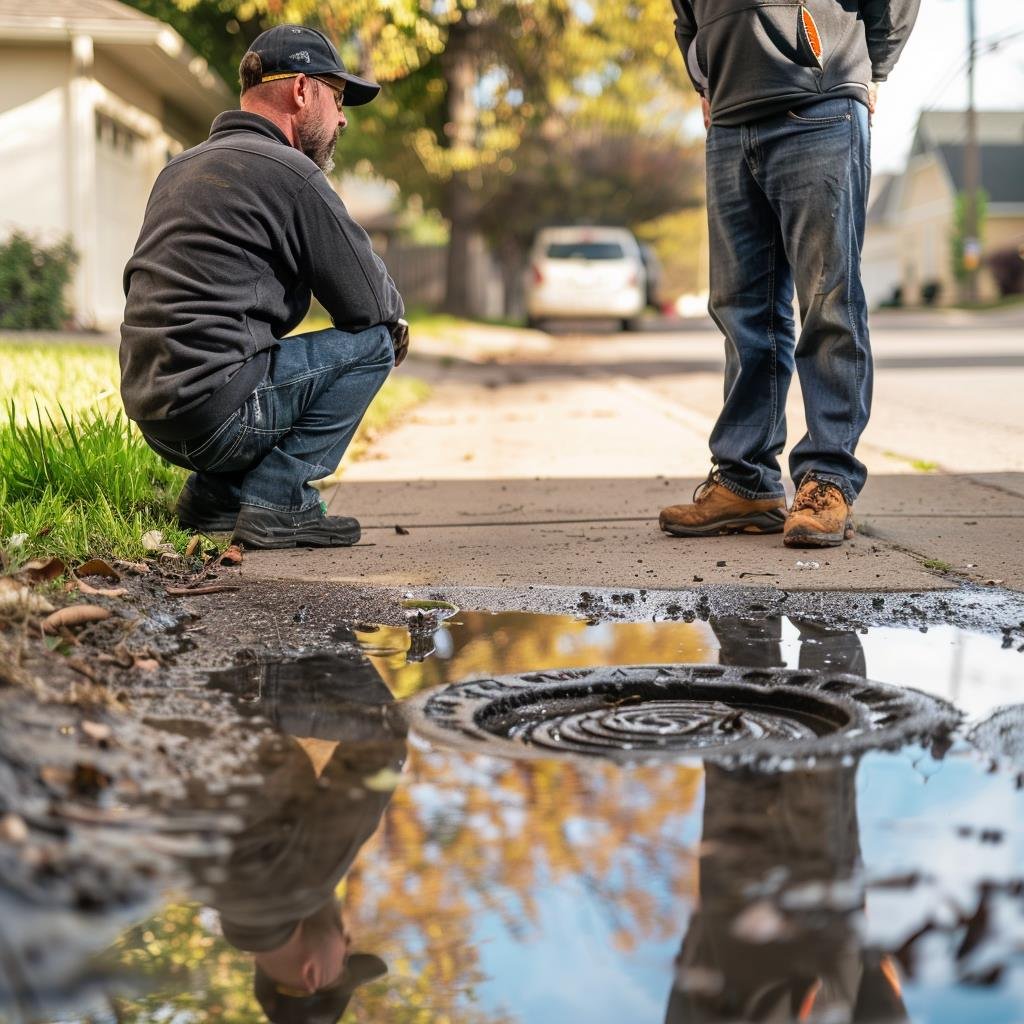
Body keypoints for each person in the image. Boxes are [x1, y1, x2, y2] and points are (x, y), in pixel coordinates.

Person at [119, 25, 408, 550]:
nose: (342, 117)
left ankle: (216, 497)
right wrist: (394, 326)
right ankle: (279, 500)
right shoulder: (289, 170)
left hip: (155, 417)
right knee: (376, 343)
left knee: (249, 356)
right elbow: (371, 304)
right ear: (302, 90)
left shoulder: (179, 168)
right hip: (223, 415)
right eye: (338, 98)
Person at [659, 1, 919, 548]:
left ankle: (828, 479)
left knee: (828, 301)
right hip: (729, 118)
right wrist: (703, 79)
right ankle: (745, 480)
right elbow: (686, 14)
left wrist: (874, 69)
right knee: (740, 312)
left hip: (819, 103)